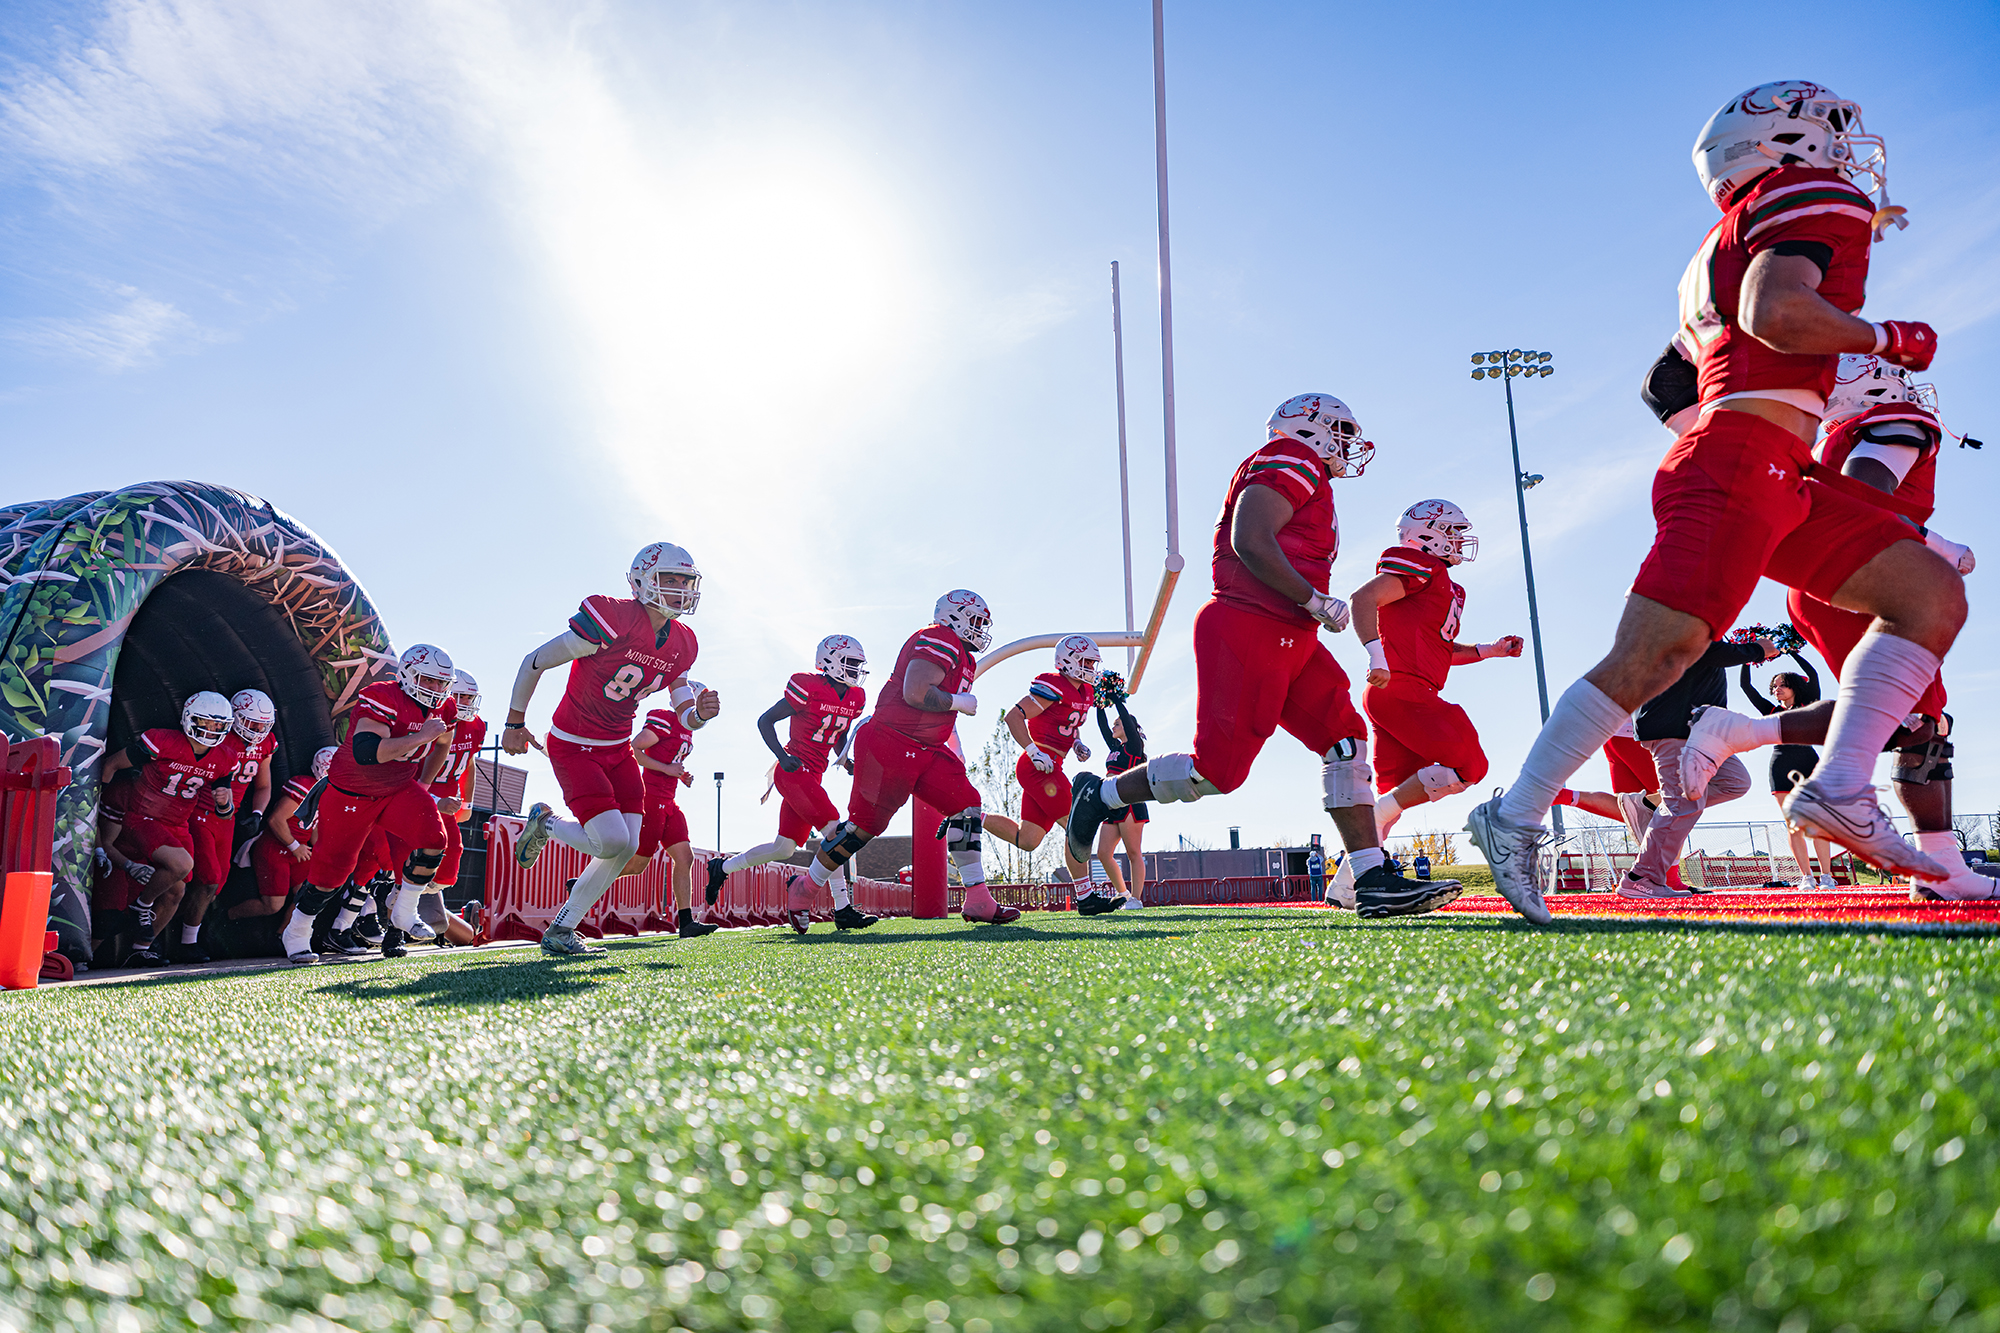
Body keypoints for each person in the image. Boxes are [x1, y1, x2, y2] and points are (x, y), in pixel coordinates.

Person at [1468, 81, 1959, 923]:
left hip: (1769, 461)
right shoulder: (1810, 194)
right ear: (1787, 143)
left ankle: (1841, 788)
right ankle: (1511, 815)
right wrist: (1890, 338)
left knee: (1927, 594)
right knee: (1653, 656)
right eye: (1834, 131)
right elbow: (1778, 313)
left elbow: (1667, 376)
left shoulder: (1725, 237)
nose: (1850, 150)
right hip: (1743, 458)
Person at [1066, 393, 1461, 919]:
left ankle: (1370, 876)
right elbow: (1250, 538)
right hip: (1252, 623)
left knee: (1345, 738)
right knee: (1218, 774)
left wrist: (1307, 608)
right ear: (1312, 429)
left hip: (1290, 632)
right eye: (1341, 432)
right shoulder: (1293, 460)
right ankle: (1103, 796)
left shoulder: (1310, 475)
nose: (1347, 446)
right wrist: (1313, 598)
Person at [1680, 357, 1991, 901]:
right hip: (1866, 577)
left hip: (1838, 580)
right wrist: (1938, 546)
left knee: (1915, 723)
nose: (1903, 383)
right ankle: (1938, 871)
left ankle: (1940, 870)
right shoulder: (1893, 422)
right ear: (1865, 384)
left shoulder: (1831, 442)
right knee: (1919, 722)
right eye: (1889, 372)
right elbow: (1857, 503)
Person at [504, 543, 720, 957]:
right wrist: (515, 721)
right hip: (573, 745)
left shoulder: (684, 641)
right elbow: (535, 660)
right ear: (641, 581)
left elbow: (684, 712)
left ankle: (563, 929)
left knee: (626, 847)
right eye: (668, 579)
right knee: (608, 842)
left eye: (685, 581)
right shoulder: (613, 616)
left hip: (617, 748)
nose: (679, 589)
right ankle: (547, 823)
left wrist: (701, 715)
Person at [797, 591, 1022, 926]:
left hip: (925, 748)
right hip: (891, 744)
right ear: (954, 617)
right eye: (975, 620)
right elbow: (916, 692)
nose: (979, 629)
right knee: (863, 829)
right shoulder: (938, 637)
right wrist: (958, 702)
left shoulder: (962, 653)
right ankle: (805, 888)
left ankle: (977, 899)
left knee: (966, 804)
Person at [1351, 501, 1523, 840]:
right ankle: (1372, 840)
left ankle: (1354, 882)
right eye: (1453, 532)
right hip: (1402, 690)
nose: (1459, 540)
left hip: (1403, 692)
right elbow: (1363, 598)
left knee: (1389, 801)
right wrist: (1377, 657)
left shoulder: (1449, 587)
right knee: (1470, 766)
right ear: (1429, 532)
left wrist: (1490, 651)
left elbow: (1439, 650)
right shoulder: (1420, 564)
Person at [285, 643, 458, 965]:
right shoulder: (382, 695)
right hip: (351, 792)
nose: (435, 689)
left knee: (434, 839)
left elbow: (443, 743)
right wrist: (422, 737)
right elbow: (369, 753)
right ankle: (297, 930)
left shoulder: (445, 708)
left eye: (440, 683)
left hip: (397, 788)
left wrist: (424, 784)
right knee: (332, 873)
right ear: (407, 674)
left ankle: (404, 912)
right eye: (428, 680)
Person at [707, 635, 875, 933]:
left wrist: (845, 758)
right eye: (850, 663)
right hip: (794, 770)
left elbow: (837, 735)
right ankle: (843, 908)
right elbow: (765, 720)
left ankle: (723, 867)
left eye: (858, 664)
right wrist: (782, 756)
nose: (855, 669)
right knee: (835, 832)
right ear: (830, 661)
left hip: (814, 775)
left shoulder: (854, 697)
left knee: (783, 848)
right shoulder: (808, 686)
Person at [1617, 637, 1772, 898]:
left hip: (1702, 732)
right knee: (1683, 803)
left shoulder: (1705, 629)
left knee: (1735, 782)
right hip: (1673, 727)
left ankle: (1653, 804)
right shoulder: (1683, 626)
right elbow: (1708, 650)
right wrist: (1757, 650)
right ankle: (1640, 878)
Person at [96, 691, 240, 965]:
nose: (211, 731)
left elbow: (225, 812)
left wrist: (224, 804)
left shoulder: (224, 758)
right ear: (188, 718)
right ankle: (142, 904)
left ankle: (139, 949)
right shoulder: (163, 742)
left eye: (218, 725)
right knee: (182, 864)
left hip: (178, 824)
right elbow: (112, 764)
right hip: (142, 817)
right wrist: (92, 801)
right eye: (205, 723)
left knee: (176, 892)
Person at [984, 635, 1102, 907]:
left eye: (1092, 663)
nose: (1090, 668)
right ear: (1069, 660)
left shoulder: (1085, 691)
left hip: (1051, 764)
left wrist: (1076, 743)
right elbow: (1014, 717)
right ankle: (1085, 896)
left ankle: (971, 816)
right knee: (1077, 823)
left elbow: (1066, 722)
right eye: (1086, 662)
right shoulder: (1053, 685)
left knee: (1028, 840)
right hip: (1038, 765)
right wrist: (1033, 751)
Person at [178, 688, 277, 961]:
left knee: (216, 884)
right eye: (251, 723)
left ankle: (192, 934)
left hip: (227, 818)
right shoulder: (218, 736)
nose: (257, 730)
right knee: (207, 879)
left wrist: (257, 813)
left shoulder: (266, 743)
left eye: (262, 725)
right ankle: (185, 943)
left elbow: (264, 785)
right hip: (199, 810)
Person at [1737, 652, 1837, 889]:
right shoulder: (1770, 711)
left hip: (1808, 765)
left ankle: (1826, 876)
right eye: (1775, 686)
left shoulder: (1810, 703)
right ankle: (1806, 877)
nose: (1777, 689)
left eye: (1783, 685)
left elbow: (1812, 675)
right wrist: (1748, 657)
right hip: (1779, 766)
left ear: (1794, 687)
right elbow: (1745, 685)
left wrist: (1789, 650)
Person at [632, 696, 720, 938]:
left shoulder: (686, 729)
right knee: (639, 864)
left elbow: (669, 758)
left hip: (669, 799)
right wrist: (667, 769)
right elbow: (634, 749)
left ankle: (686, 922)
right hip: (651, 797)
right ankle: (584, 883)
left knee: (685, 857)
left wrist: (679, 774)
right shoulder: (666, 719)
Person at [1086, 672, 1148, 912]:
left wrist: (1117, 699)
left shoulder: (1134, 747)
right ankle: (1123, 894)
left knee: (1133, 852)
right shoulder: (1115, 747)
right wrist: (1099, 703)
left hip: (1131, 800)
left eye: (1118, 724)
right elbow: (1102, 725)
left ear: (1129, 728)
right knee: (1103, 853)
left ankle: (1136, 899)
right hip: (1111, 802)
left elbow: (1124, 717)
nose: (1114, 725)